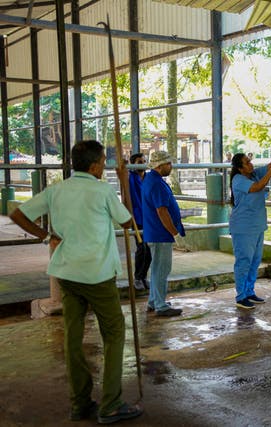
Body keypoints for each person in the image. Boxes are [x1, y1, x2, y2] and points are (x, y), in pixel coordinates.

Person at [9, 140, 143, 424]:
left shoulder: (57, 190)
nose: (105, 167)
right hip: (97, 274)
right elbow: (127, 222)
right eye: (104, 162)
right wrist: (123, 182)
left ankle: (80, 403)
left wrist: (47, 236)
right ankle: (110, 403)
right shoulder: (102, 190)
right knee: (114, 334)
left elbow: (16, 214)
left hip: (67, 274)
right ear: (95, 167)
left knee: (73, 338)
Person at [229, 150, 271, 309]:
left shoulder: (253, 174)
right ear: (239, 168)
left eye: (249, 161)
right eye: (247, 162)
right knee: (244, 261)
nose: (251, 164)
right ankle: (241, 296)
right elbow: (259, 187)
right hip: (243, 227)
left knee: (254, 261)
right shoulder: (238, 180)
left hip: (257, 225)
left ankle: (249, 291)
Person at [141, 151, 184, 317]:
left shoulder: (152, 179)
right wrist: (173, 231)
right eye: (168, 164)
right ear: (159, 166)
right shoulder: (156, 183)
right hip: (160, 232)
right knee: (161, 269)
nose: (170, 166)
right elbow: (162, 210)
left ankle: (154, 300)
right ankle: (160, 305)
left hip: (155, 231)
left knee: (157, 268)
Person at [129, 153, 151, 291]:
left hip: (149, 217)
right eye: (139, 162)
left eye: (144, 161)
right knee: (142, 247)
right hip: (137, 217)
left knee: (149, 249)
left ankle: (143, 276)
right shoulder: (130, 178)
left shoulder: (148, 178)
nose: (142, 164)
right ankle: (137, 277)